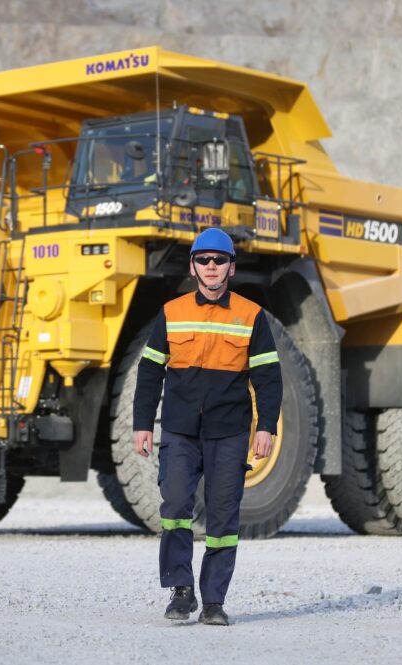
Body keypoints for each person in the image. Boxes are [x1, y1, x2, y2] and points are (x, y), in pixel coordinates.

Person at [132, 227, 283, 626]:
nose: (211, 267)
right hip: (181, 429)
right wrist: (142, 424)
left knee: (222, 517)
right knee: (176, 506)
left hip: (230, 431)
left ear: (231, 268)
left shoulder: (251, 315)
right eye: (204, 259)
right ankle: (181, 592)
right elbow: (149, 371)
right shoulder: (172, 311)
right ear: (193, 266)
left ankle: (214, 601)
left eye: (219, 260)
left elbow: (269, 377)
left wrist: (266, 427)